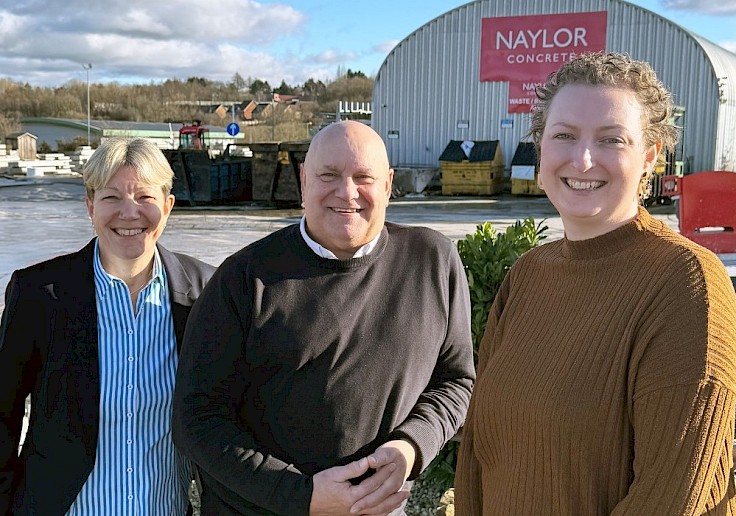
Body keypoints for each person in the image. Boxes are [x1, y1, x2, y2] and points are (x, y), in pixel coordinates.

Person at [455, 51, 736, 514]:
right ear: (541, 148)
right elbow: (479, 454)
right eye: (564, 135)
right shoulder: (528, 276)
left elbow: (672, 499)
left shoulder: (687, 285)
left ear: (649, 157)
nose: (583, 160)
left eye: (611, 140)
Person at [172, 120, 475, 515]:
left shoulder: (433, 261)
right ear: (303, 181)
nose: (346, 192)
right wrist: (302, 494)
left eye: (363, 177)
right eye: (328, 175)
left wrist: (411, 445)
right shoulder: (244, 277)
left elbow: (455, 380)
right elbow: (196, 419)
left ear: (388, 185)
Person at [0, 137, 215, 514]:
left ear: (168, 206)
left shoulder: (205, 293)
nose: (129, 213)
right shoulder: (40, 295)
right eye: (112, 197)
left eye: (145, 197)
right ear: (90, 207)